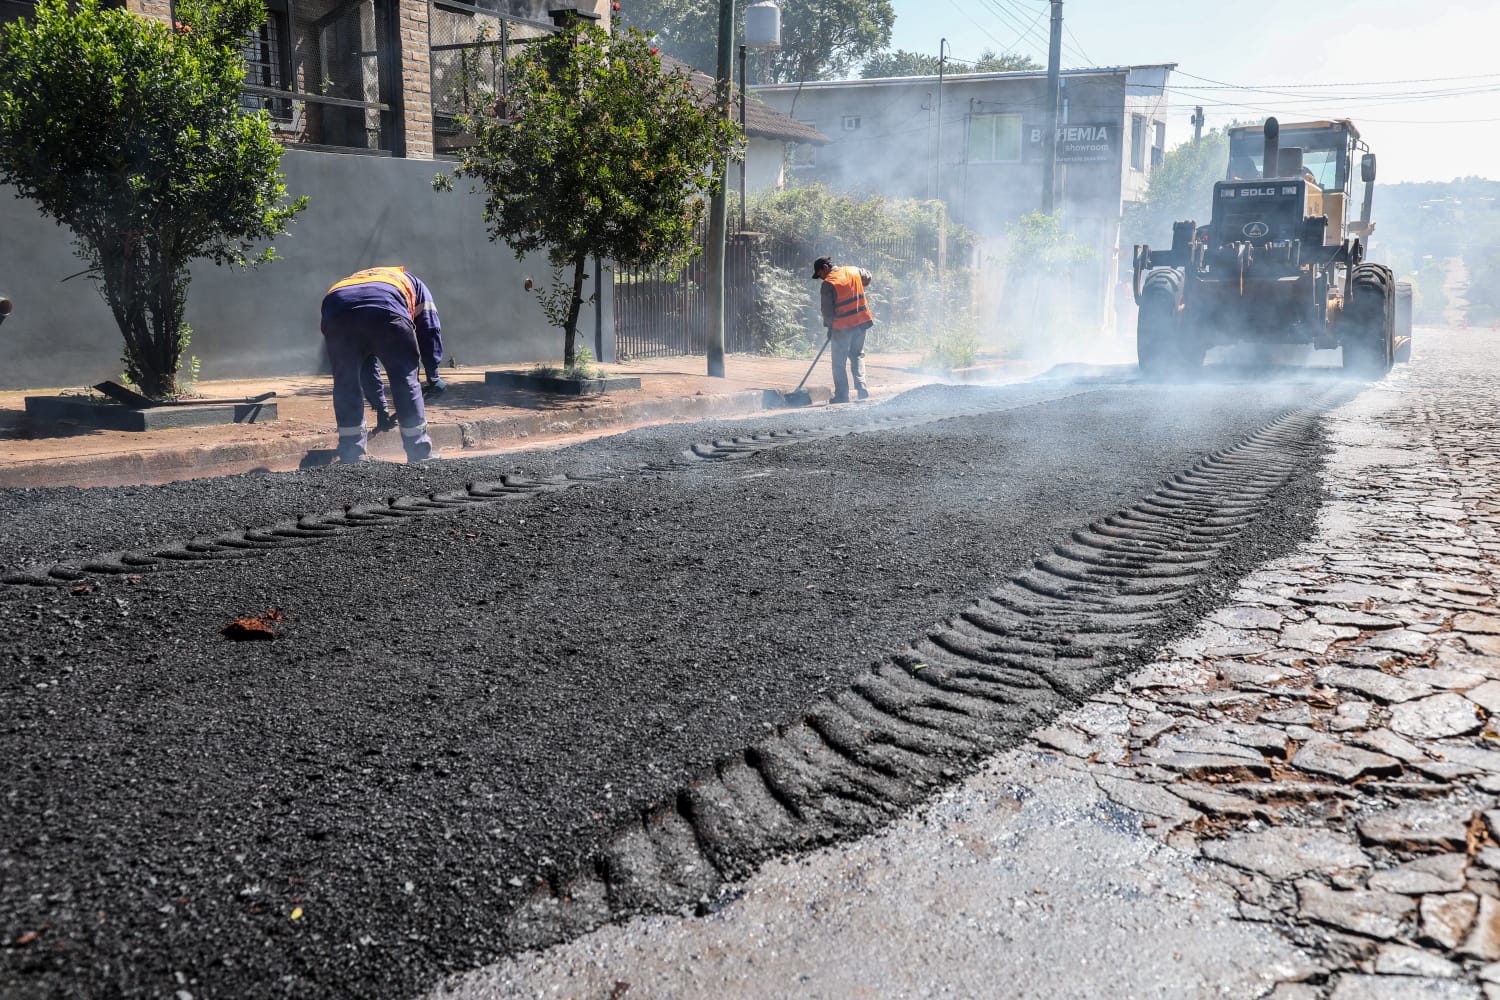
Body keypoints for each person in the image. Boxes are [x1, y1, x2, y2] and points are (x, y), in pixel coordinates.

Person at [320, 266, 442, 463]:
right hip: (387, 310)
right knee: (404, 379)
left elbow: (367, 366)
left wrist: (380, 406)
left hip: (337, 310)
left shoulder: (353, 281)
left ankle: (352, 454)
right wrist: (433, 374)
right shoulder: (413, 284)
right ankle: (419, 452)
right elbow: (430, 329)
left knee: (346, 383)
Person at [812, 255, 874, 403]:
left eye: (820, 274)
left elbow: (827, 311)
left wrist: (830, 329)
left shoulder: (829, 283)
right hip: (862, 322)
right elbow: (867, 278)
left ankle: (842, 395)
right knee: (857, 356)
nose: (821, 278)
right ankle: (861, 387)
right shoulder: (853, 270)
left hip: (843, 327)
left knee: (838, 362)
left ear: (825, 267)